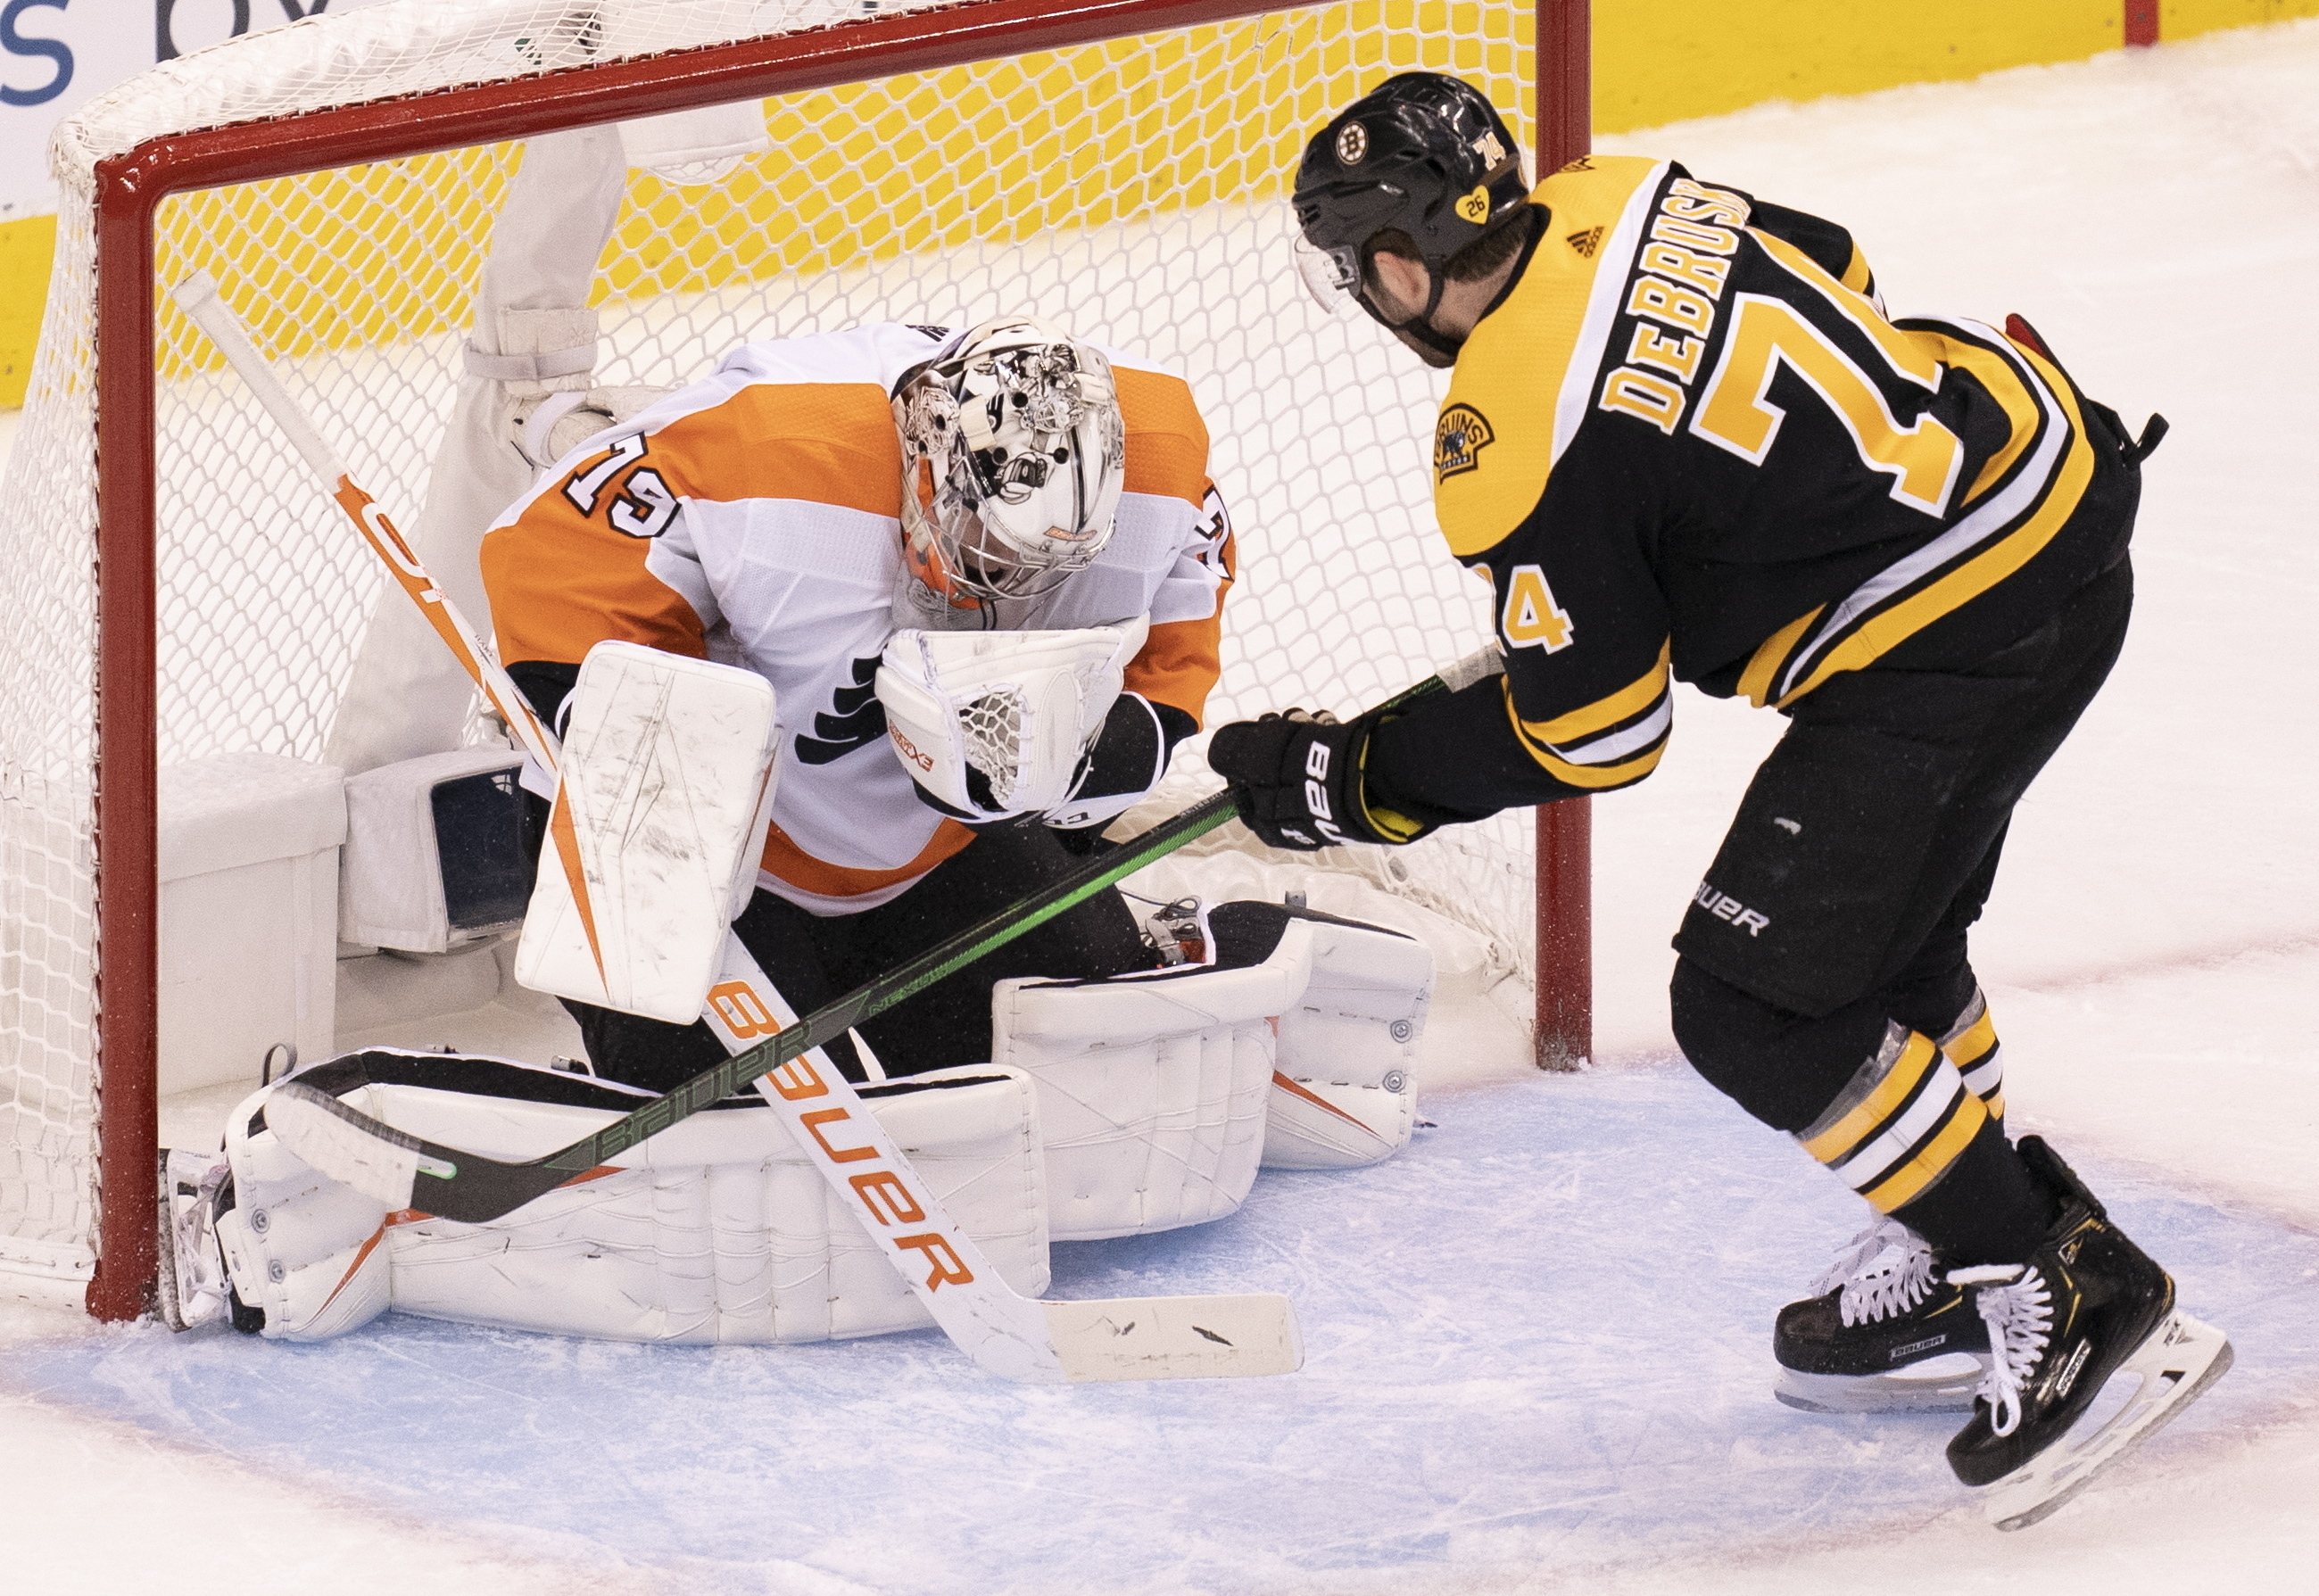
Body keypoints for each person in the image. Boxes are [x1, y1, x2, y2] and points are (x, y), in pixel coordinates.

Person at [1208, 71, 2230, 1515]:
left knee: (1746, 1002)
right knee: (1877, 942)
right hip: (2042, 476)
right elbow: (1836, 266)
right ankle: (1958, 1235)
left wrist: (1353, 780)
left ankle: (2045, 1268)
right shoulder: (1609, 192)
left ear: (1395, 263)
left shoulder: (1507, 437)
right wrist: (1705, 521)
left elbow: (1593, 735)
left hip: (1966, 631)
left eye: (1355, 269)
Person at [481, 317, 1234, 1086]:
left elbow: (1187, 598)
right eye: (989, 543)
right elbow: (545, 554)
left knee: (1092, 1064)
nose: (1014, 590)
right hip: (705, 849)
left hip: (940, 845)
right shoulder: (775, 447)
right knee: (730, 1106)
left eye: (1049, 564)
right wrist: (668, 770)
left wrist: (1122, 740)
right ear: (928, 470)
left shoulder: (1157, 455)